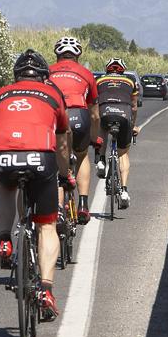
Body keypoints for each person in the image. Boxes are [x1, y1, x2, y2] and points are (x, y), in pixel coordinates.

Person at [0, 49, 71, 321]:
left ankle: (4, 241)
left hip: (1, 155)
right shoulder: (53, 95)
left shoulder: (0, 94)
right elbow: (61, 143)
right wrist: (65, 174)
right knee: (47, 224)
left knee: (5, 187)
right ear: (45, 77)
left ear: (16, 76)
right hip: (40, 156)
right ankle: (46, 289)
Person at [48, 36, 97, 223]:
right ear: (77, 56)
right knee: (82, 155)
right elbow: (94, 113)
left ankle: (59, 211)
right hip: (80, 115)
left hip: (56, 115)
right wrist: (95, 137)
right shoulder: (85, 73)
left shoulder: (48, 72)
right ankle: (84, 205)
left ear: (57, 55)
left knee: (56, 161)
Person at [95, 58, 140, 209]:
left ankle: (101, 160)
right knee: (123, 154)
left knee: (101, 127)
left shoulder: (99, 80)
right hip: (124, 115)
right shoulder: (131, 81)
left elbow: (93, 103)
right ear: (123, 70)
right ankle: (125, 191)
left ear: (108, 69)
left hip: (105, 112)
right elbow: (134, 107)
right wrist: (133, 126)